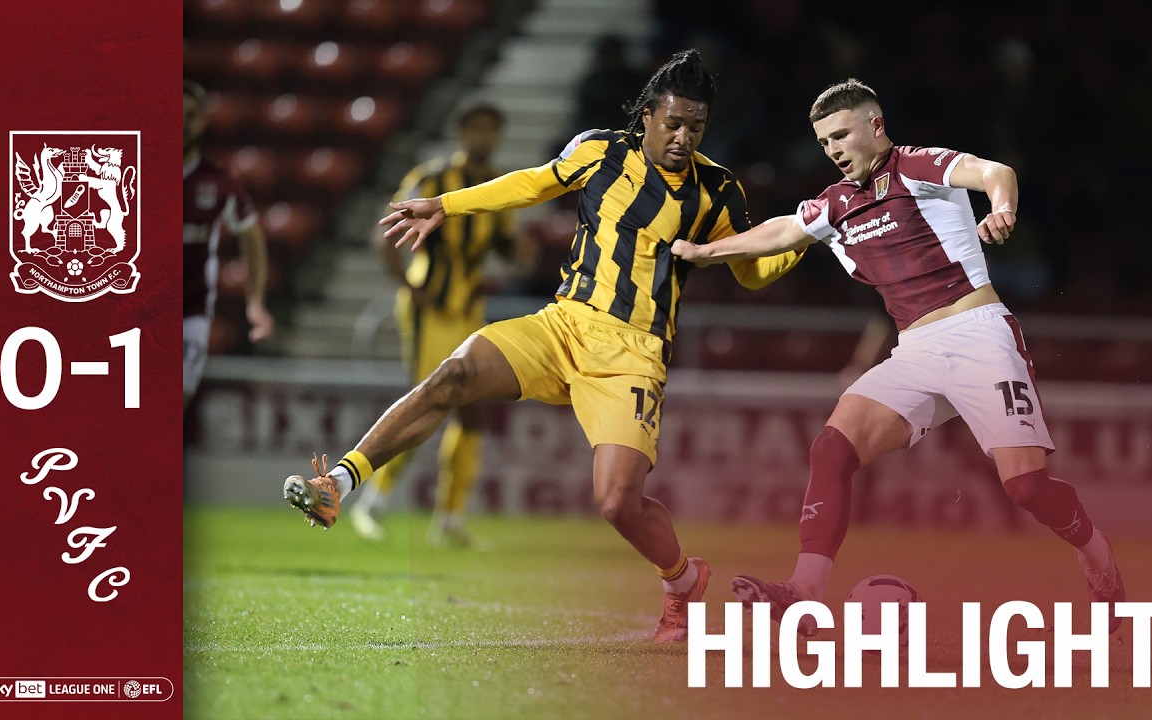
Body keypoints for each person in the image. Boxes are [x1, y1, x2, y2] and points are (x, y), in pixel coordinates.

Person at [282, 50, 804, 642]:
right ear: (648, 117)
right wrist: (446, 205)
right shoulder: (601, 151)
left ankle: (682, 581)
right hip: (562, 326)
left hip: (633, 353)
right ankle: (339, 484)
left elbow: (750, 271)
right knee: (452, 376)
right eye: (674, 123)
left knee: (618, 503)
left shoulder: (717, 188)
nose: (684, 138)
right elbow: (531, 184)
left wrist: (803, 238)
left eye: (697, 127)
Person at [671, 78, 1126, 635]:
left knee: (1025, 488)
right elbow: (783, 231)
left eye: (841, 135)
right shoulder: (837, 203)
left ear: (875, 125)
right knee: (832, 449)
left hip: (980, 336)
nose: (833, 149)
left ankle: (1097, 555)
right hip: (914, 349)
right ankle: (804, 592)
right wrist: (705, 252)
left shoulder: (916, 166)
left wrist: (1002, 207)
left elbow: (994, 172)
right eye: (824, 142)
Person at [348, 103, 526, 545]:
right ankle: (374, 501)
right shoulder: (431, 179)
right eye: (476, 128)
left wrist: (524, 252)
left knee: (472, 412)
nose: (484, 137)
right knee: (428, 402)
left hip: (469, 312)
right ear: (461, 132)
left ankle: (449, 518)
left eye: (491, 129)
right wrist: (410, 287)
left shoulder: (499, 186)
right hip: (430, 307)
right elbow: (384, 236)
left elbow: (505, 245)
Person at [182, 79, 274, 409]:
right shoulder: (131, 173)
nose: (181, 124)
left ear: (202, 121)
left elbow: (252, 238)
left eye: (190, 116)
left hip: (189, 311)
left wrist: (255, 300)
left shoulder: (218, 182)